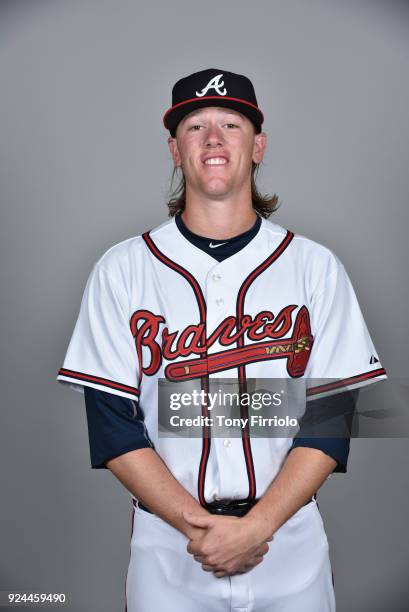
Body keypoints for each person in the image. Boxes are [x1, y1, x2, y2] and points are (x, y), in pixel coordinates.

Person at [57, 68, 387, 612]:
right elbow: (112, 426)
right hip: (170, 545)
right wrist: (204, 529)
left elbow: (332, 421)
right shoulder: (123, 269)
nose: (213, 139)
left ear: (257, 146)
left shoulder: (315, 266)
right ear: (174, 149)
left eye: (231, 125)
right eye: (195, 126)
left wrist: (256, 528)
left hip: (288, 538)